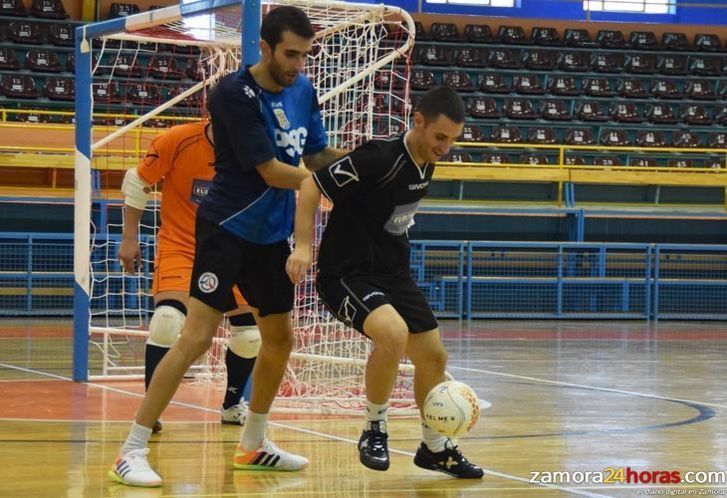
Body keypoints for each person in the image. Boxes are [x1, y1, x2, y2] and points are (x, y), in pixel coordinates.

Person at [110, 6, 346, 487]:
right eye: (290, 54)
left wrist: (361, 163)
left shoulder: (302, 89)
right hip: (226, 229)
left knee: (279, 339)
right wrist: (336, 183)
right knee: (194, 337)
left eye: (304, 54)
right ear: (264, 47)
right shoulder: (233, 94)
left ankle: (254, 443)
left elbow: (317, 152)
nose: (298, 64)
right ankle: (131, 449)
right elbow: (273, 171)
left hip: (271, 234)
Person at [286, 86, 484, 479]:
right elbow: (311, 185)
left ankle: (434, 447)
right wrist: (304, 246)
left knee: (434, 356)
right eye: (440, 137)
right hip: (345, 275)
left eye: (452, 140)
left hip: (393, 274)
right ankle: (374, 429)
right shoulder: (379, 158)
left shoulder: (426, 159)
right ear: (418, 121)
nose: (445, 147)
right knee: (391, 334)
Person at [118, 120, 260, 434]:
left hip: (232, 250)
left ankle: (233, 405)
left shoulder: (255, 146)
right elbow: (136, 181)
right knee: (168, 321)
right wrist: (129, 238)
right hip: (181, 247)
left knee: (250, 336)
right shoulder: (178, 140)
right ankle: (150, 409)